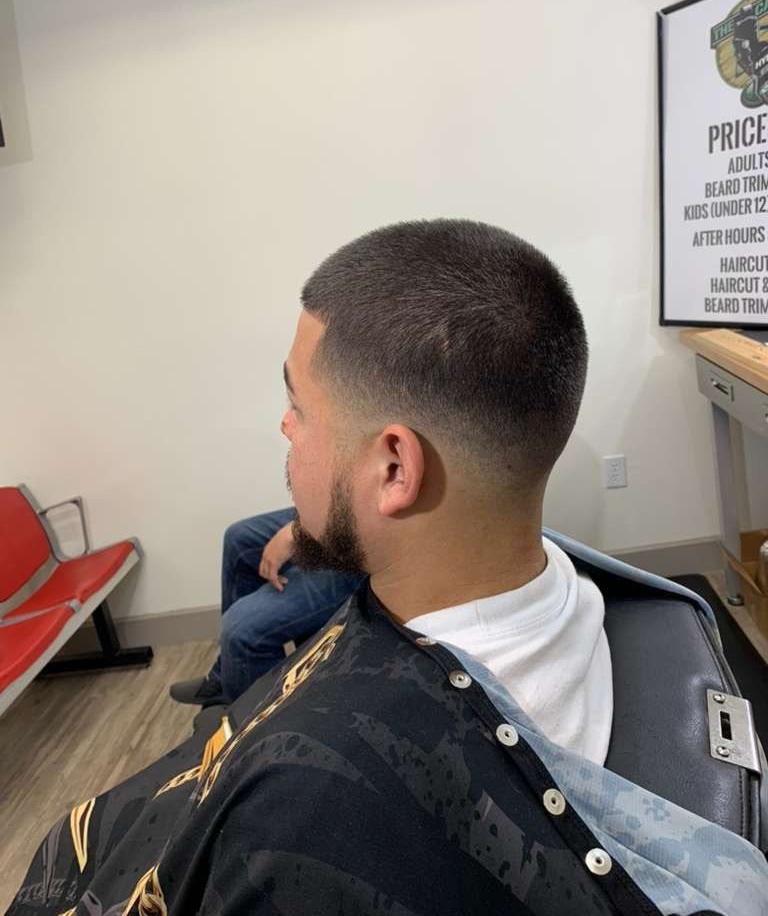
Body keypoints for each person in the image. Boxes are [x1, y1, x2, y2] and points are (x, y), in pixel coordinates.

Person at [8, 218, 767, 916]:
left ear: (395, 468)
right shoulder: (573, 590)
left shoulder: (316, 812)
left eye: (298, 406)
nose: (283, 425)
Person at [169, 509, 367, 707]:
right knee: (239, 538)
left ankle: (259, 727)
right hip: (333, 514)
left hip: (360, 544)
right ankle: (227, 678)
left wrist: (299, 531)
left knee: (241, 629)